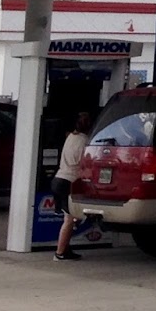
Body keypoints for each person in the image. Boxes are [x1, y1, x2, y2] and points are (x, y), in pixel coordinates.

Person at [53, 111, 94, 261]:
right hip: (69, 182)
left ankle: (65, 248)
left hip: (58, 179)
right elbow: (87, 164)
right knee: (69, 219)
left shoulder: (70, 137)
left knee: (69, 217)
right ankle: (60, 253)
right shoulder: (86, 141)